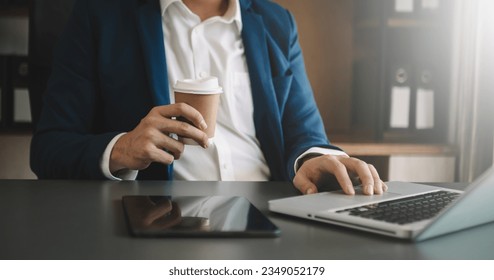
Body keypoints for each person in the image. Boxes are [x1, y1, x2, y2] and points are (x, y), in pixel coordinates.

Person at [30, 0, 387, 196]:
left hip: (270, 214)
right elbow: (49, 150)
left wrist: (312, 160)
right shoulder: (99, 16)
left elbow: (305, 134)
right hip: (161, 220)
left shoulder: (276, 22)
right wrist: (121, 149)